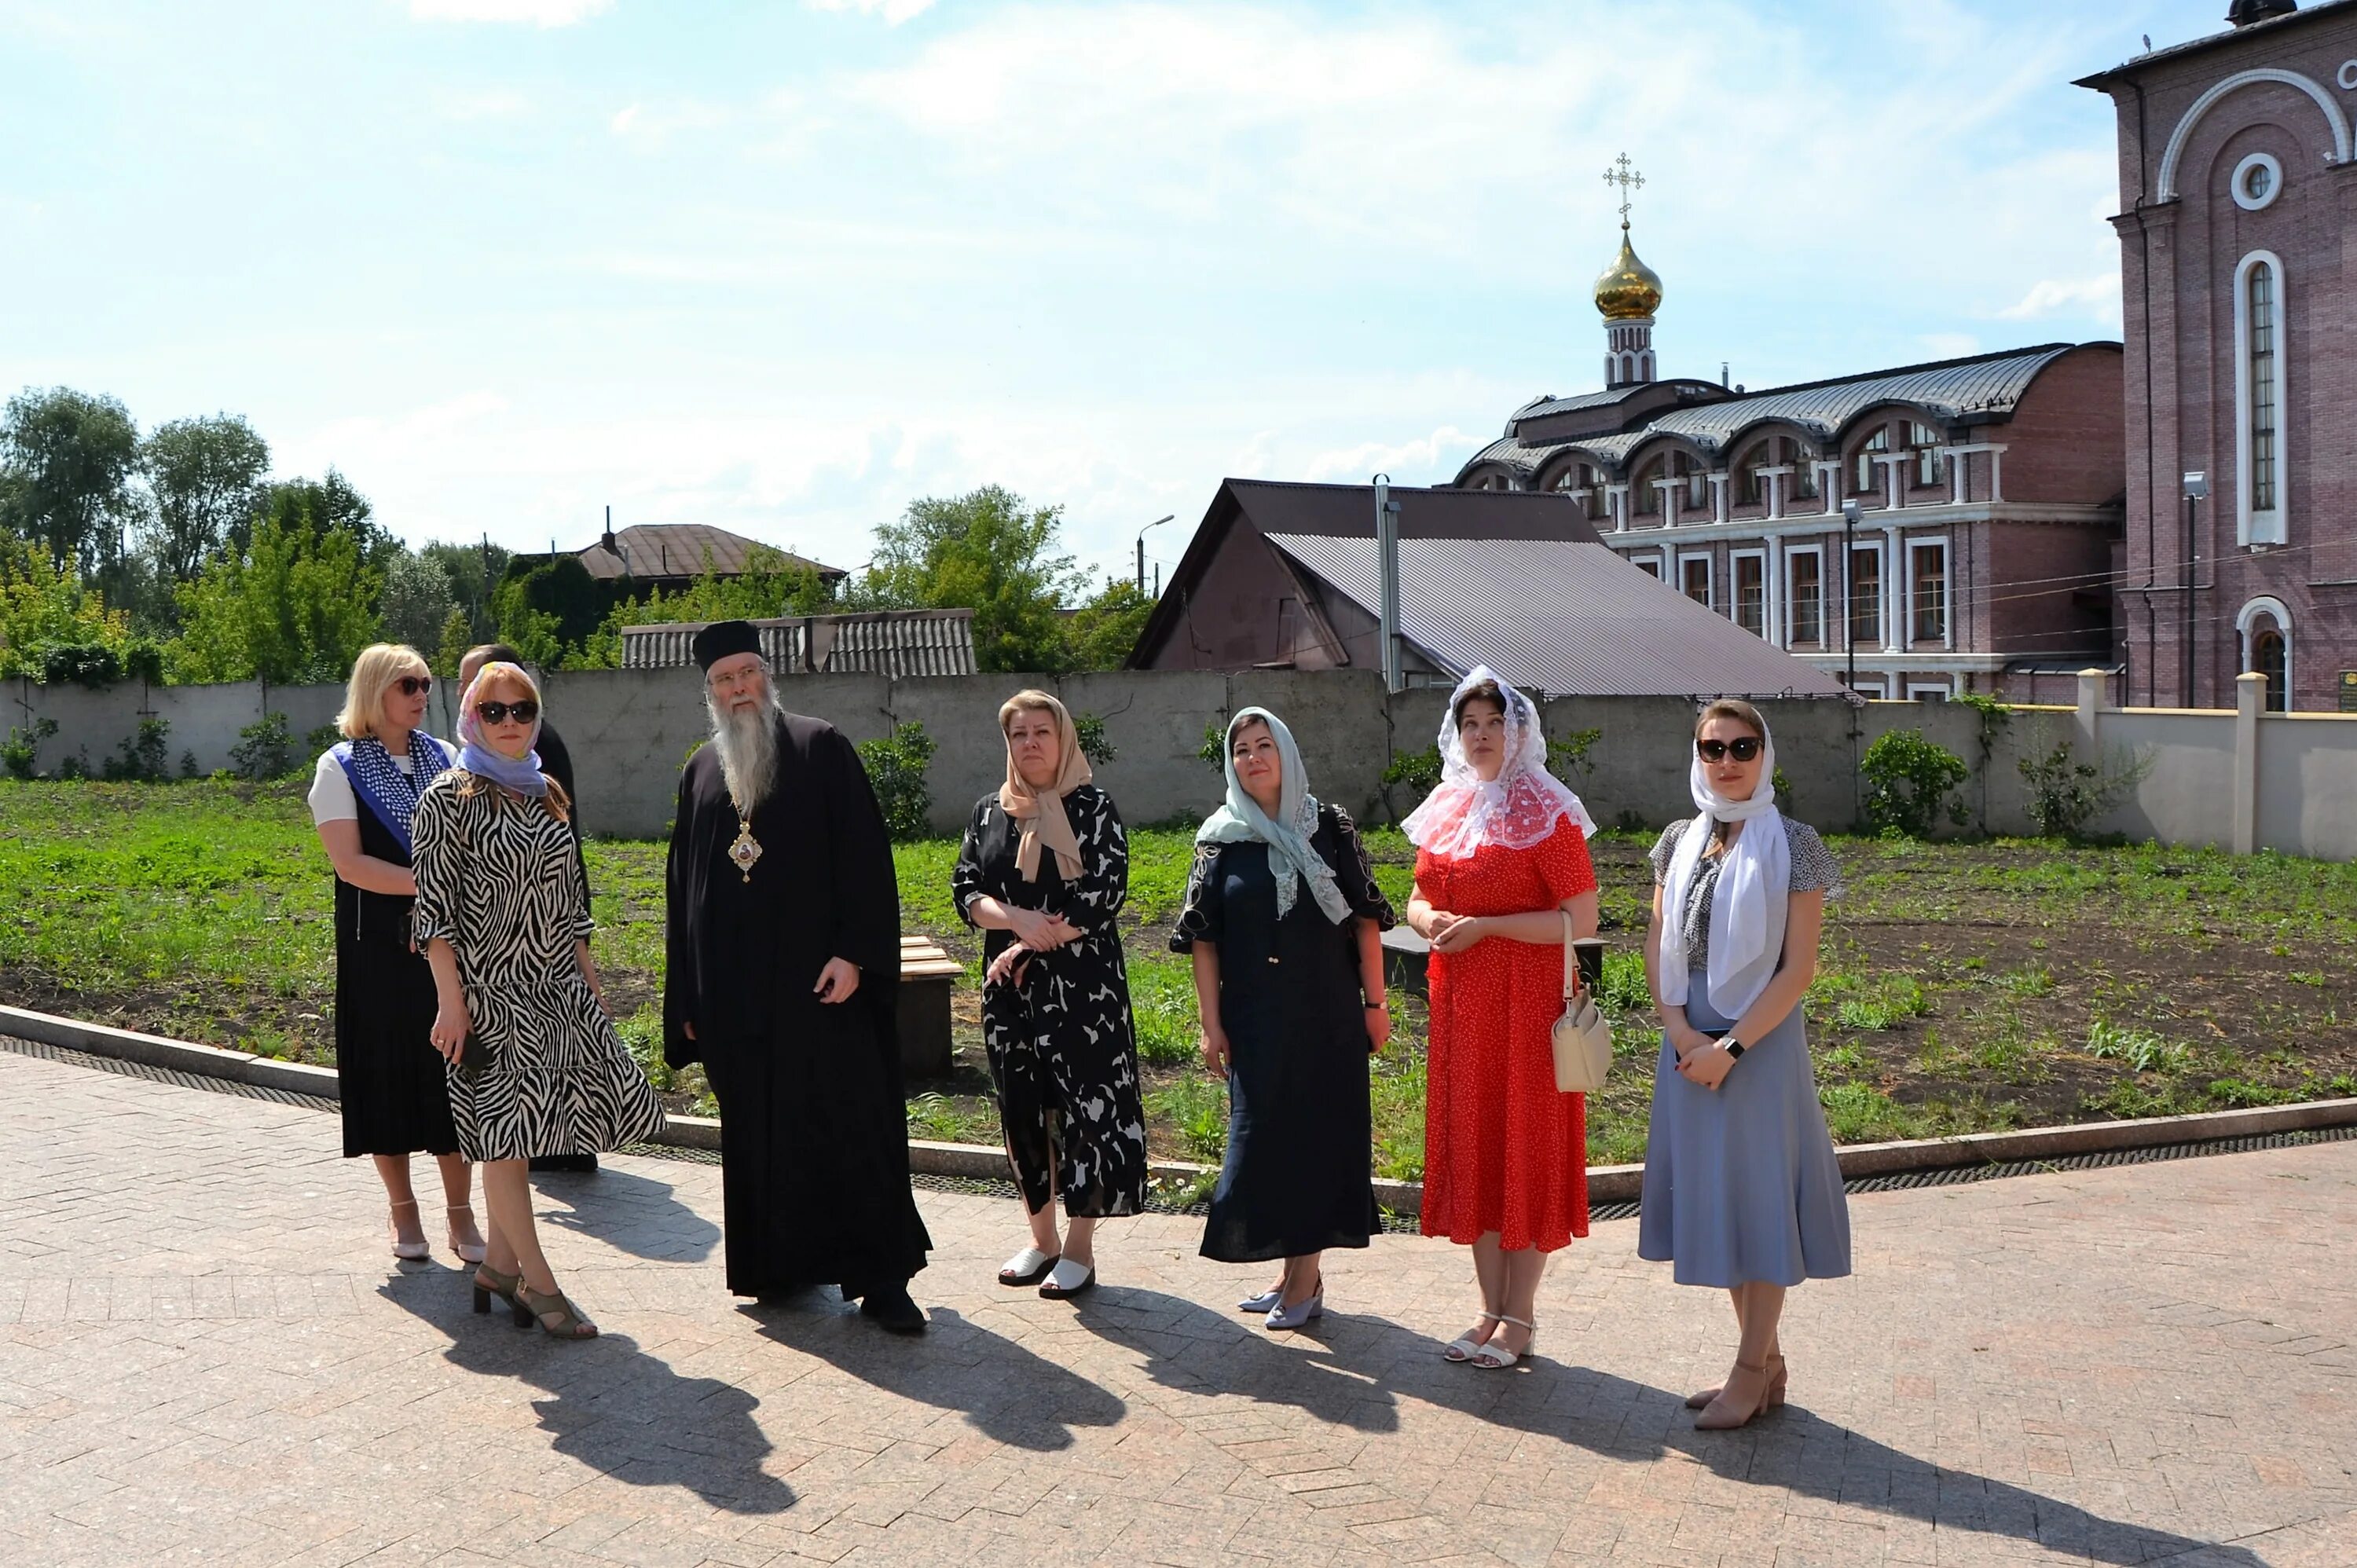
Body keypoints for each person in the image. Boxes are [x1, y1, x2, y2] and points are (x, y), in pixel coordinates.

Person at [662, 621, 933, 1334]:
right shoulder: (699, 770)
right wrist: (687, 993)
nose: (739, 688)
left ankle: (882, 1281)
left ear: (767, 675)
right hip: (735, 1000)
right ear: (710, 692)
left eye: (747, 673)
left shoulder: (821, 747)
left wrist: (855, 954)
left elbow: (868, 864)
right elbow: (682, 891)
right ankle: (776, 1267)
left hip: (821, 989)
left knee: (850, 1127)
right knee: (759, 1134)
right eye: (724, 680)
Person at [412, 661, 666, 1339]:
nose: (509, 723)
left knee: (525, 1135)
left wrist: (585, 973)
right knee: (500, 1137)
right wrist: (450, 1003)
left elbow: (571, 894)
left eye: (522, 710)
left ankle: (498, 1266)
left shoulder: (547, 792)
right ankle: (541, 1285)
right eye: (493, 711)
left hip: (553, 987)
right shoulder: (447, 796)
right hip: (487, 993)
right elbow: (433, 915)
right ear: (470, 717)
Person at [1639, 698, 1849, 1429]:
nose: (1726, 761)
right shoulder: (1677, 840)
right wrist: (1680, 1034)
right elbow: (1657, 945)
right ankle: (1768, 1363)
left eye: (1742, 745)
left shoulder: (1797, 842)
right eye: (1711, 748)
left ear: (1766, 753)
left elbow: (1798, 971)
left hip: (1757, 1048)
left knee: (1759, 1204)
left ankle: (1750, 1369)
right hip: (1690, 1045)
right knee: (1728, 1206)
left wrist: (1728, 1047)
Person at [1172, 708, 1395, 1332]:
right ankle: (1295, 1273)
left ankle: (1304, 1278)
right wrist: (1211, 1024)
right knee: (1265, 1146)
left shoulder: (1330, 826)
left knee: (1319, 1141)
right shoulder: (1219, 839)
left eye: (1264, 744)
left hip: (1327, 1014)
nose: (1253, 757)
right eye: (1241, 749)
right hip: (1255, 1019)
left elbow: (1366, 921)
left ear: (1287, 753)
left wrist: (1375, 1005)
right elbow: (1204, 940)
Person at [1403, 668, 1600, 1371]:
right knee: (1480, 1149)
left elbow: (1580, 921)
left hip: (1527, 1010)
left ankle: (1522, 1318)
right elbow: (1418, 898)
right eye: (1470, 726)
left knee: (1526, 1148)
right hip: (1463, 1012)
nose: (1482, 736)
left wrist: (1487, 927)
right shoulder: (1449, 805)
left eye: (1494, 724)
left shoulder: (1547, 808)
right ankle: (1489, 1310)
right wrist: (1433, 919)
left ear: (1518, 731)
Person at [951, 691, 1147, 1299]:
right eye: (1018, 734)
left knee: (1088, 1111)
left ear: (1063, 740)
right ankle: (1042, 1238)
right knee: (1021, 1113)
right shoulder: (990, 811)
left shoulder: (1092, 807)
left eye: (1042, 731)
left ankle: (1081, 1248)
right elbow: (966, 890)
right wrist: (1014, 920)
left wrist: (1030, 941)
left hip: (1083, 989)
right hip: (1008, 992)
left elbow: (1103, 894)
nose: (1030, 743)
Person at [308, 643, 481, 1265]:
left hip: (448, 947)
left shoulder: (449, 759)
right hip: (377, 950)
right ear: (374, 689)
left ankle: (462, 1214)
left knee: (451, 1075)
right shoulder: (340, 765)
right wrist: (429, 878)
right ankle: (403, 1211)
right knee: (386, 1076)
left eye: (425, 684)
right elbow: (349, 864)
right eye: (408, 684)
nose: (420, 694)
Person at [460, 642, 596, 1177]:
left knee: (551, 1052)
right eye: (484, 702)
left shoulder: (528, 760)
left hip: (543, 929)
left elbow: (554, 850)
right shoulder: (469, 779)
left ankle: (560, 1149)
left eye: (508, 703)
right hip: (511, 944)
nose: (491, 708)